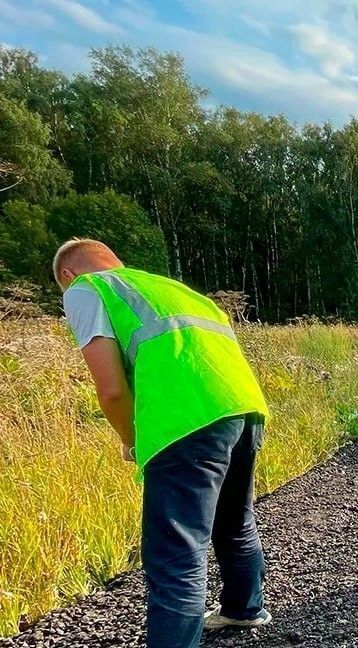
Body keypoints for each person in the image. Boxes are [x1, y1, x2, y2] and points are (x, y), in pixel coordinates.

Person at [53, 239, 272, 648]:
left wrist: (132, 440)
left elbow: (112, 390)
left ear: (68, 274)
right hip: (244, 407)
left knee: (176, 552)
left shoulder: (87, 287)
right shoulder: (172, 288)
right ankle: (245, 609)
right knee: (234, 518)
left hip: (183, 418)